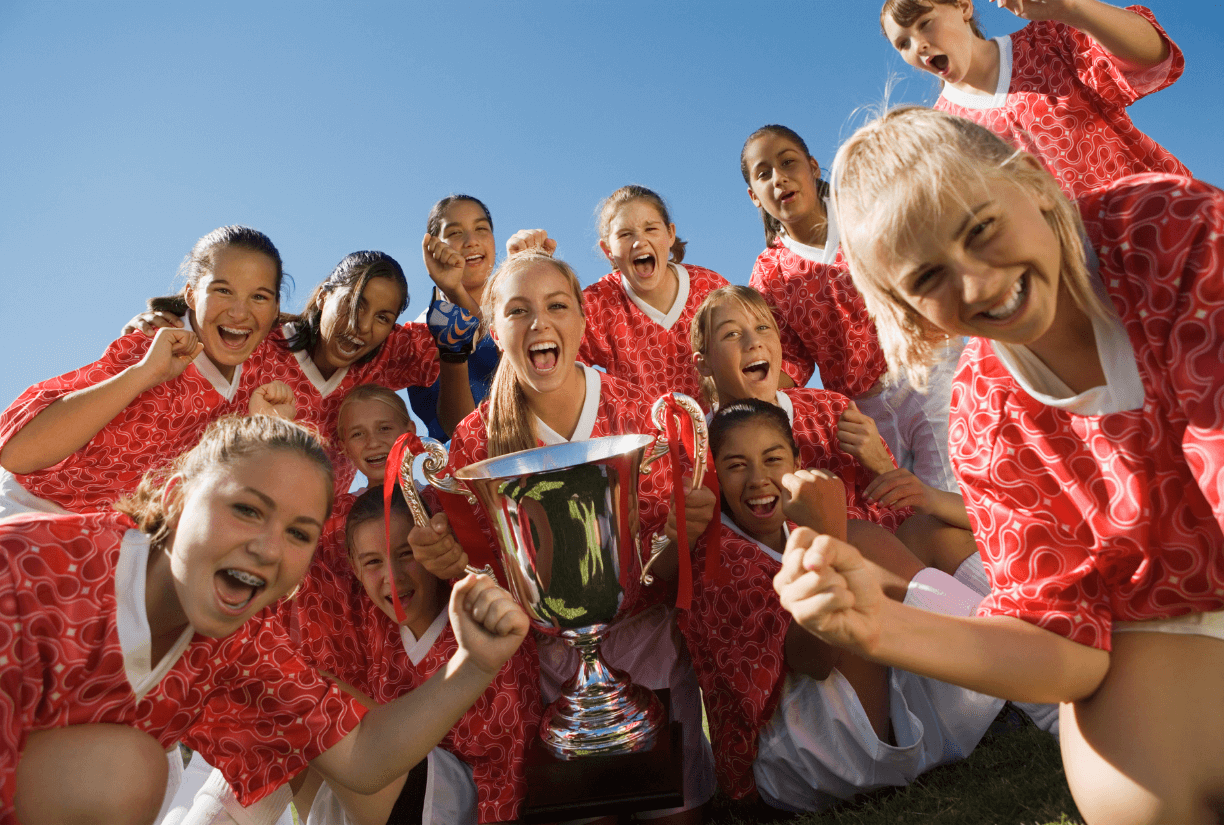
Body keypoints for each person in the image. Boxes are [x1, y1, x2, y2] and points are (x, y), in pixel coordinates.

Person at [776, 105, 1224, 824]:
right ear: (907, 311)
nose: (979, 285)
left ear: (1035, 184)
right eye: (929, 276)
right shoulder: (985, 412)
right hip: (1173, 609)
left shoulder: (1168, 228)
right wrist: (879, 628)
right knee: (1135, 797)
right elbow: (1065, 647)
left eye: (980, 229)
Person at [1, 414, 529, 825]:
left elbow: (362, 757)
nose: (268, 548)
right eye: (247, 510)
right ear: (177, 497)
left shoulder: (242, 643)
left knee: (129, 773)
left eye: (300, 533)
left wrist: (473, 663)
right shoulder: (29, 569)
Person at [409, 250, 717, 824]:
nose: (538, 324)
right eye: (518, 311)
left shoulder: (639, 412)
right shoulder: (475, 441)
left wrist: (682, 535)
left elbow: (665, 573)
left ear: (582, 320)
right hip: (541, 668)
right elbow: (485, 574)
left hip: (647, 648)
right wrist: (448, 560)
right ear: (493, 330)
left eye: (556, 306)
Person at [685, 399, 1000, 810]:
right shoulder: (719, 556)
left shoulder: (790, 523)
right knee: (859, 547)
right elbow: (813, 661)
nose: (758, 479)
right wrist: (830, 537)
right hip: (789, 759)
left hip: (837, 713)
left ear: (797, 463)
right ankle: (997, 660)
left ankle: (999, 642)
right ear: (716, 477)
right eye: (736, 465)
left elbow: (904, 539)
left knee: (921, 532)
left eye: (773, 459)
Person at [690, 284, 988, 584]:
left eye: (763, 327)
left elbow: (900, 504)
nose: (754, 342)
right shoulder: (696, 448)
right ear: (703, 363)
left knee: (938, 535)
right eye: (731, 334)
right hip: (799, 582)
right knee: (863, 539)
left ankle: (1010, 614)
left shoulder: (830, 408)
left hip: (895, 558)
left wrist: (881, 463)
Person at [289, 487, 542, 825]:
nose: (392, 580)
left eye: (406, 553)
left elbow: (509, 763)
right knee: (285, 693)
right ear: (355, 567)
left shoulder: (480, 617)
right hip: (387, 789)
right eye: (373, 562)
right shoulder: (367, 619)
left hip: (463, 803)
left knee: (308, 694)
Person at [0, 225, 288, 519]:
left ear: (277, 306)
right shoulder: (151, 344)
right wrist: (143, 374)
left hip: (118, 535)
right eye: (223, 290)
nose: (240, 313)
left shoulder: (271, 356)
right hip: (31, 509)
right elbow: (16, 455)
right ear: (191, 295)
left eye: (259, 297)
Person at [740, 125, 963, 494]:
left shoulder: (864, 210)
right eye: (764, 174)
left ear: (813, 167)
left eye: (788, 163)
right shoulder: (767, 274)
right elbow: (790, 361)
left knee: (952, 499)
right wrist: (740, 385)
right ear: (754, 196)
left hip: (928, 372)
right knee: (900, 513)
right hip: (864, 412)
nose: (778, 178)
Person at [125, 251, 441, 495]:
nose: (363, 325)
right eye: (354, 304)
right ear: (323, 296)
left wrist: (452, 283)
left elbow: (460, 334)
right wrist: (167, 323)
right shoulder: (259, 339)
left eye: (382, 317)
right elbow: (212, 316)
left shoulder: (384, 358)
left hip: (308, 538)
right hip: (215, 502)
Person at [881, 0, 1189, 199]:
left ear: (963, 6)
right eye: (903, 43)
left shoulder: (1047, 43)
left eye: (925, 23)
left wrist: (1070, 8)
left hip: (1160, 226)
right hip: (1073, 289)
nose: (919, 44)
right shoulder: (941, 135)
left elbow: (1154, 61)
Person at [507, 185, 730, 408]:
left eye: (650, 229)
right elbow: (552, 366)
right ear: (607, 250)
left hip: (715, 429)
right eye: (625, 234)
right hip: (639, 435)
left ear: (670, 234)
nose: (639, 242)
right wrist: (530, 271)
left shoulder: (710, 288)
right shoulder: (598, 304)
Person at [409, 195, 501, 441]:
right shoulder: (419, 331)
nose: (472, 241)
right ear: (432, 246)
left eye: (481, 229)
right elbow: (459, 427)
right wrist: (454, 290)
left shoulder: (519, 310)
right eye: (455, 233)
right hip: (455, 470)